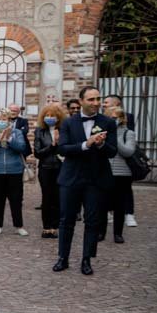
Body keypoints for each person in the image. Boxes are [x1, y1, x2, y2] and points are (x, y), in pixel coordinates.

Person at [53, 87, 117, 276]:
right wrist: (85, 145)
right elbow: (62, 149)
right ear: (81, 101)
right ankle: (62, 258)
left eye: (98, 99)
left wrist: (102, 144)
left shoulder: (107, 122)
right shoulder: (68, 122)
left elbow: (113, 151)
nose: (96, 103)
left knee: (92, 221)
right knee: (66, 220)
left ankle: (87, 259)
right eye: (91, 99)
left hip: (96, 179)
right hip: (71, 178)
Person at [0, 108, 28, 236]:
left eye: (3, 119)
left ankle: (19, 226)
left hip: (14, 170)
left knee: (16, 200)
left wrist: (9, 139)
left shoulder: (17, 132)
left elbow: (22, 147)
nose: (0, 121)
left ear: (9, 120)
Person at [97, 107, 137, 244]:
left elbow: (128, 151)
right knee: (102, 204)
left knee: (120, 205)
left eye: (116, 117)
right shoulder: (101, 132)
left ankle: (118, 234)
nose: (114, 120)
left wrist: (115, 139)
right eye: (111, 117)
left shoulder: (128, 133)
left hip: (122, 174)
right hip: (105, 171)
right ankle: (101, 232)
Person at [33, 103, 66, 238]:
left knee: (57, 197)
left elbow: (67, 149)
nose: (50, 117)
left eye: (53, 115)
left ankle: (55, 226)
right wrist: (52, 146)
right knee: (46, 197)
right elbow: (37, 152)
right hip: (45, 168)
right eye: (47, 115)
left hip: (60, 168)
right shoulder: (40, 131)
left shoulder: (64, 130)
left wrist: (59, 144)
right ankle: (46, 227)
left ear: (58, 117)